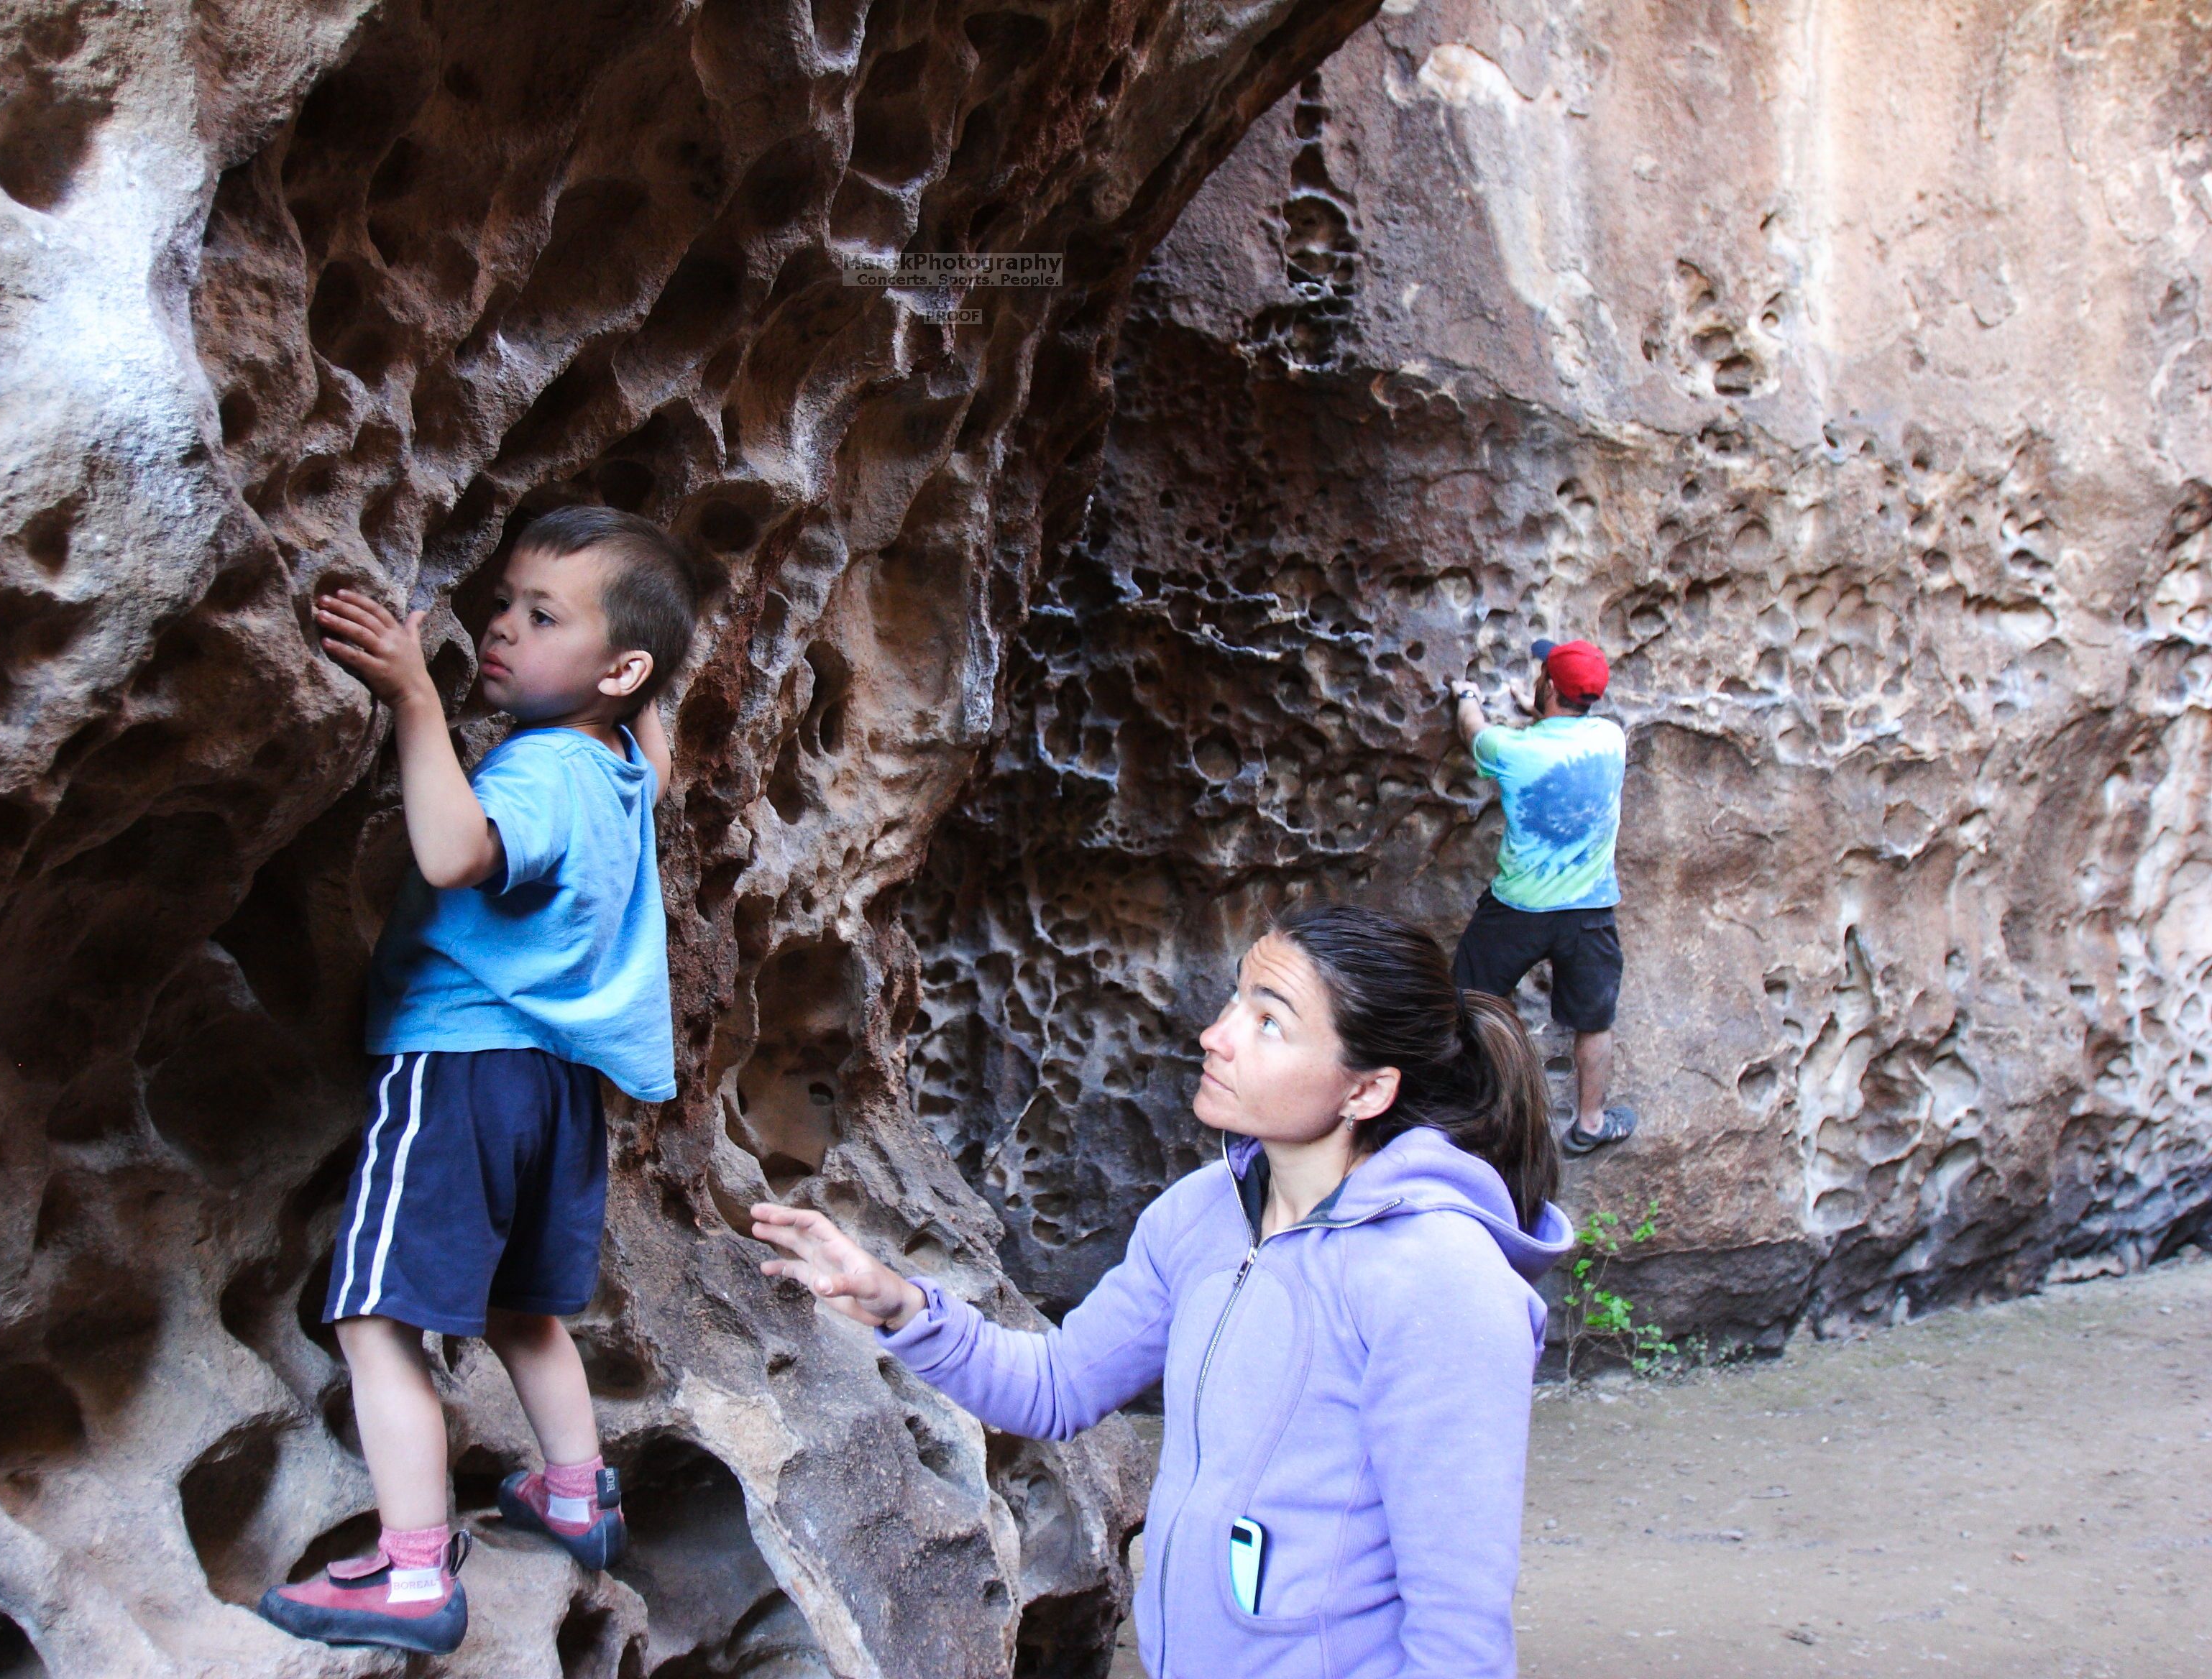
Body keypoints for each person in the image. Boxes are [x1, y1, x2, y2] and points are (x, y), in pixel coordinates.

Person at [753, 903, 1573, 1679]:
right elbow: (1058, 1384)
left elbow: (1460, 1631)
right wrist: (898, 1302)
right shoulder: (1203, 1214)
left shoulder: (1440, 1278)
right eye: (1235, 998)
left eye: (1269, 1021)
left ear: (1366, 1090)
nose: (1216, 1036)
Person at [255, 507, 698, 1655]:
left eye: (539, 616)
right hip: (556, 1090)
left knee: (373, 1317)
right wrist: (632, 684)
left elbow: (455, 853)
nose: (498, 629)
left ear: (620, 666)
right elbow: (662, 743)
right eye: (504, 602)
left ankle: (409, 1576)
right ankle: (574, 1491)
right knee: (523, 1309)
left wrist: (413, 698)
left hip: (458, 1063)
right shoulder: (621, 768)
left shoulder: (546, 765)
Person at [1448, 638, 1637, 1155]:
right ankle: (1591, 1124)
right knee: (1595, 1020)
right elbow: (1560, 733)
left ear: (1548, 687)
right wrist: (1543, 711)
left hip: (1517, 910)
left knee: (1467, 1002)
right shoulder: (1611, 739)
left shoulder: (1510, 750)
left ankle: (1468, 1119)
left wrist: (1467, 695)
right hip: (1589, 912)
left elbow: (1475, 733)